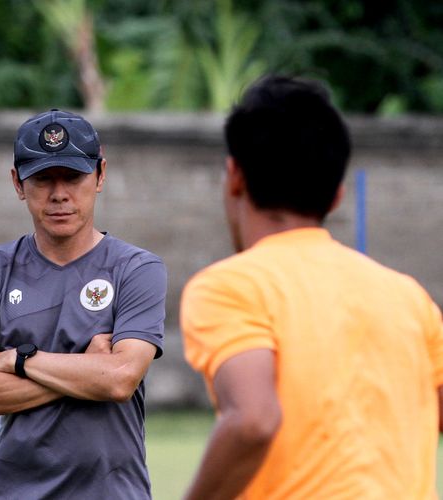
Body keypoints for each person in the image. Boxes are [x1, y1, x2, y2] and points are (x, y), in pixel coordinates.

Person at [180, 75, 443, 499]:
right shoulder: (408, 296)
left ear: (234, 177)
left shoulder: (229, 287)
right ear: (337, 195)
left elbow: (253, 421)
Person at [0, 109, 167, 499]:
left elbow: (119, 379)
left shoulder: (136, 268)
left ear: (100, 175)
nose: (59, 193)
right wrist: (87, 370)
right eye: (43, 178)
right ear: (18, 183)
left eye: (73, 177)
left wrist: (18, 361)